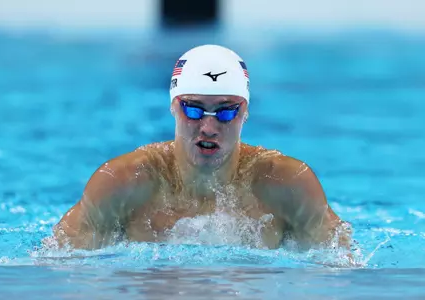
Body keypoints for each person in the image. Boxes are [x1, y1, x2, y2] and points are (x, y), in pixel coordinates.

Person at [52, 44, 351, 252]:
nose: (208, 127)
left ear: (246, 111)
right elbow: (59, 272)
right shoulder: (122, 184)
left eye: (226, 112)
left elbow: (342, 274)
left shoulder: (288, 186)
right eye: (193, 110)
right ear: (173, 106)